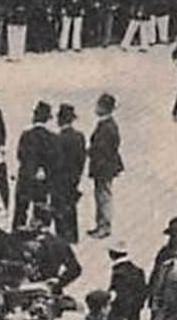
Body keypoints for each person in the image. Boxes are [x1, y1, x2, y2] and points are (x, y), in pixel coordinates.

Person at [87, 92, 123, 240]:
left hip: (103, 166)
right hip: (104, 165)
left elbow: (105, 148)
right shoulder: (107, 124)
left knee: (104, 196)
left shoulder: (107, 126)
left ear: (104, 107)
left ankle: (104, 226)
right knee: (101, 194)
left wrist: (91, 152)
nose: (96, 107)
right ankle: (101, 224)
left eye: (98, 105)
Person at [13, 100, 54, 231]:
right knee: (40, 209)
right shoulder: (52, 137)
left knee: (21, 209)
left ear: (34, 117)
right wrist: (43, 170)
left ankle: (17, 235)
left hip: (26, 176)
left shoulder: (26, 135)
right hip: (43, 180)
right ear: (47, 119)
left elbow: (20, 155)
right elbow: (56, 160)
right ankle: (38, 235)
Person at [48, 103, 85, 244]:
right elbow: (81, 160)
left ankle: (62, 238)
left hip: (58, 180)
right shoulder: (79, 137)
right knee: (71, 208)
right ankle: (73, 237)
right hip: (73, 179)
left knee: (58, 209)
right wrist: (77, 177)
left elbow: (54, 162)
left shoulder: (57, 138)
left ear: (60, 120)